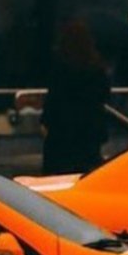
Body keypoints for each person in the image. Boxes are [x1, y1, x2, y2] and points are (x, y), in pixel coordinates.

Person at [41, 20, 111, 175]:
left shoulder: (61, 67)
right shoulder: (96, 68)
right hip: (88, 132)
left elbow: (54, 100)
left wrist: (46, 121)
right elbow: (104, 96)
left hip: (62, 133)